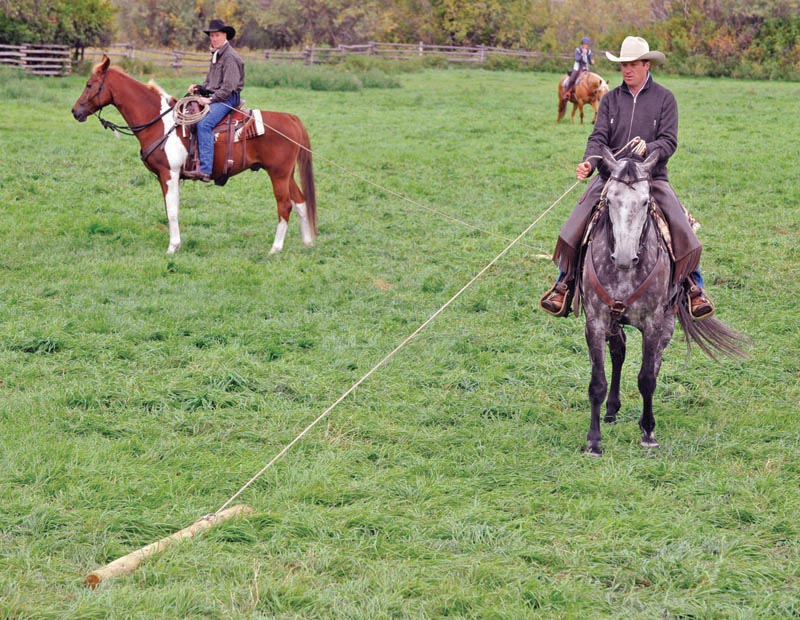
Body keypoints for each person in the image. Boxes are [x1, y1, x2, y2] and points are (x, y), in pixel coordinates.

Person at [540, 36, 715, 320]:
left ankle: (694, 286)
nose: (627, 70)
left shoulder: (665, 99)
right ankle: (565, 283)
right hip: (611, 177)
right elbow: (598, 138)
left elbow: (669, 141)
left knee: (678, 222)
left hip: (652, 177)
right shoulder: (610, 99)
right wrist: (589, 161)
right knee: (578, 218)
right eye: (623, 65)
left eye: (633, 64)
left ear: (647, 64)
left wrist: (651, 148)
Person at [185, 19, 245, 182]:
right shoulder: (216, 55)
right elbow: (210, 83)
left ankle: (205, 170)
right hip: (217, 95)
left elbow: (228, 88)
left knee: (204, 124)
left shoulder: (230, 57)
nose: (213, 39)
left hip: (227, 99)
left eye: (217, 35)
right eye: (211, 36)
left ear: (224, 36)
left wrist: (210, 100)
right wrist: (198, 88)